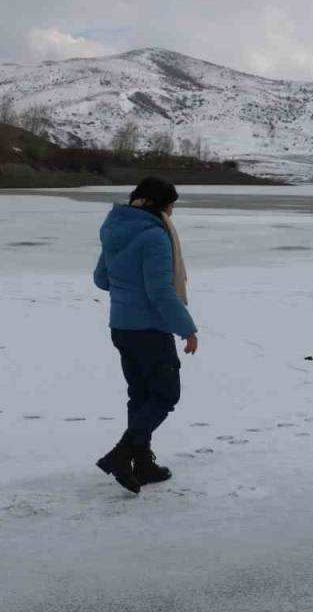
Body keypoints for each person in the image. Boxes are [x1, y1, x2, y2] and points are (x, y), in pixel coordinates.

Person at [93, 176, 199, 494]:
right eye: (171, 205)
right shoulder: (154, 236)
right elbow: (159, 291)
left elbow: (101, 279)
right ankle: (121, 455)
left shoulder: (114, 229)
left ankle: (142, 464)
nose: (172, 212)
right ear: (158, 204)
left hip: (121, 326)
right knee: (166, 395)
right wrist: (187, 328)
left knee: (140, 397)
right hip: (150, 330)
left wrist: (127, 287)